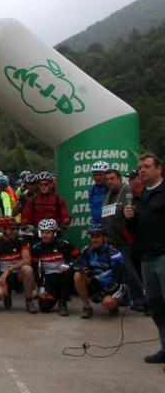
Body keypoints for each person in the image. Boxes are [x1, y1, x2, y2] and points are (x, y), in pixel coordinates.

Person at [124, 154, 165, 367]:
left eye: (147, 166)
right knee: (156, 306)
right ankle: (164, 347)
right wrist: (130, 219)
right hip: (146, 258)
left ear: (158, 169)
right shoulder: (139, 198)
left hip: (163, 256)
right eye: (140, 167)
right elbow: (136, 231)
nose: (142, 170)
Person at [102, 168, 147, 312]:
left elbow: (130, 214)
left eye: (112, 179)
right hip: (112, 240)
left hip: (125, 240)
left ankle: (140, 298)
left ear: (119, 179)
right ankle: (125, 297)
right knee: (118, 271)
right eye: (107, 179)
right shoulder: (108, 195)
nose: (109, 181)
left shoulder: (126, 192)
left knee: (129, 269)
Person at [74, 223, 126, 319]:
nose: (94, 240)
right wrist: (84, 269)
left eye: (98, 237)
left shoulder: (114, 253)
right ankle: (87, 307)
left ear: (105, 237)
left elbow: (120, 279)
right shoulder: (87, 250)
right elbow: (77, 264)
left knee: (108, 303)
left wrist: (103, 293)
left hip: (113, 285)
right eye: (92, 237)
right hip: (96, 283)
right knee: (78, 275)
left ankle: (114, 305)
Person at [0, 218, 37, 313]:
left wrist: (9, 269)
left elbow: (27, 260)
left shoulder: (21, 240)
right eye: (11, 229)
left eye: (15, 229)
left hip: (18, 274)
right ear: (3, 230)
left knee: (28, 269)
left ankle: (29, 301)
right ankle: (7, 294)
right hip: (3, 278)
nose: (14, 231)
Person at [30, 218, 78, 316]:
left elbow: (79, 259)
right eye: (42, 232)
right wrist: (41, 287)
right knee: (44, 307)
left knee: (67, 272)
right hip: (49, 280)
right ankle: (57, 295)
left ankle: (63, 302)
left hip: (64, 276)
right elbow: (35, 269)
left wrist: (68, 265)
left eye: (48, 233)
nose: (44, 235)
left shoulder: (64, 244)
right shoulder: (37, 248)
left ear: (54, 233)